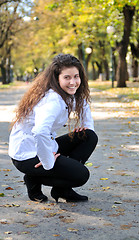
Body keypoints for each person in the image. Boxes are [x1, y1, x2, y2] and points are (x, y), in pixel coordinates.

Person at [8, 53, 98, 203]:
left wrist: (85, 127)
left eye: (76, 76)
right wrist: (48, 160)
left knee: (89, 136)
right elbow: (39, 132)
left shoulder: (69, 94)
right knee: (81, 175)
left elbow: (84, 106)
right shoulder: (53, 100)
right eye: (67, 77)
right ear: (57, 78)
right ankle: (33, 177)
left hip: (44, 143)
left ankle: (62, 190)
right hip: (26, 154)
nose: (73, 82)